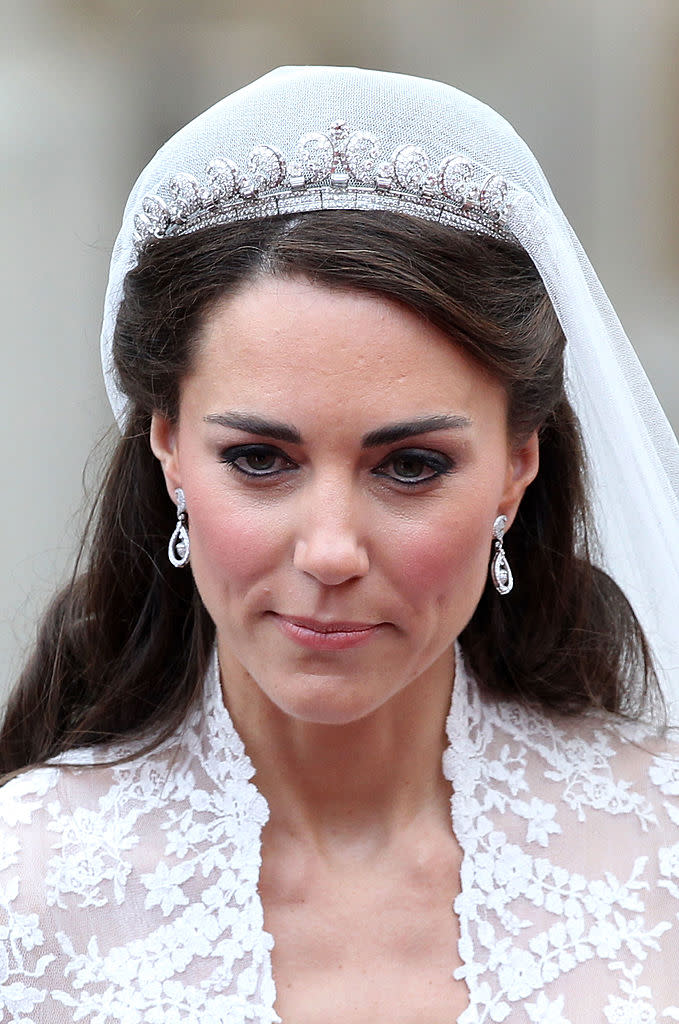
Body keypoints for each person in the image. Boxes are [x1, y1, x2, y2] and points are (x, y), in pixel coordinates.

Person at [1, 66, 678, 1024]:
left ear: (518, 465)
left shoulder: (663, 847)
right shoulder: (23, 894)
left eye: (409, 467)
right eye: (259, 459)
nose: (329, 552)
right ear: (168, 450)